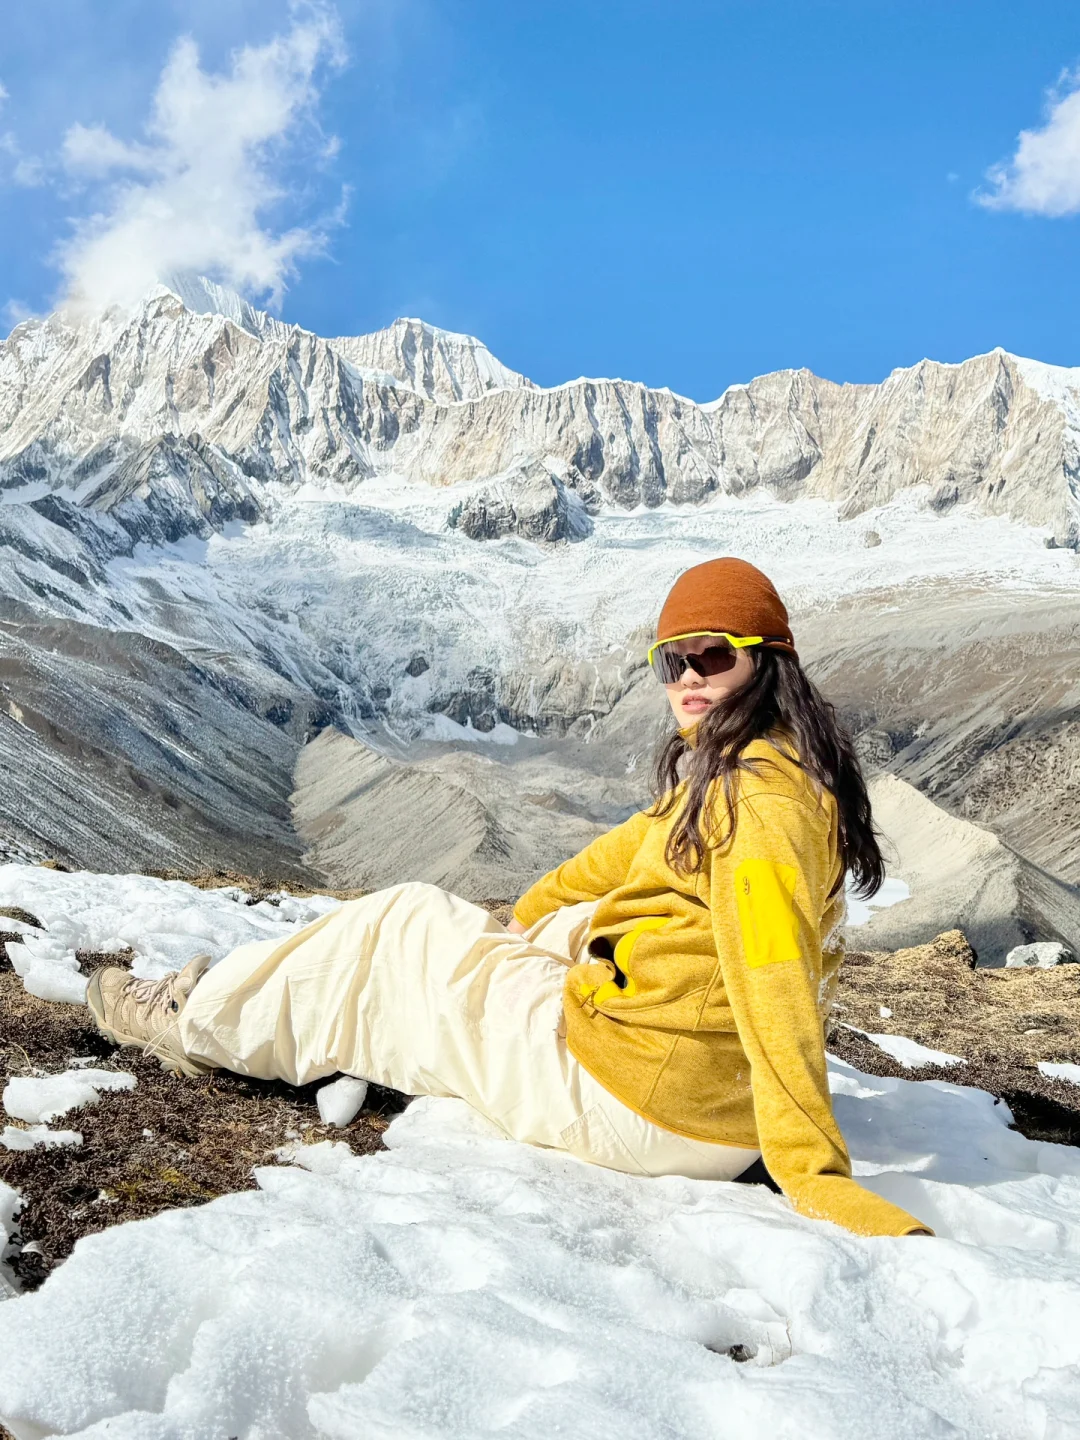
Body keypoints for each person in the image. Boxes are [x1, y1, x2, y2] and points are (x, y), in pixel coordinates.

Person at [88, 557, 929, 1237]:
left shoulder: (758, 805)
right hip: (695, 1092)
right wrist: (530, 911)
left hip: (647, 1109)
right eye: (672, 661)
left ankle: (192, 1021)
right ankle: (367, 1002)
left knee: (403, 920)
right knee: (571, 922)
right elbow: (633, 847)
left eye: (713, 655)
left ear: (769, 660)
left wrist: (811, 1170)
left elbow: (772, 971)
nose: (687, 679)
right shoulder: (763, 765)